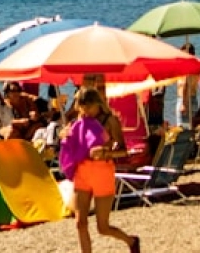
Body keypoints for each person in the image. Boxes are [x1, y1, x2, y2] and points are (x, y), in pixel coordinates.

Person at [59, 87, 140, 253]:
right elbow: (70, 142)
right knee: (80, 223)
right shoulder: (80, 121)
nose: (85, 111)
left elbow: (124, 150)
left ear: (98, 104)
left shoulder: (110, 121)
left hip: (102, 172)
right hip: (82, 172)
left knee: (102, 227)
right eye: (81, 107)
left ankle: (131, 241)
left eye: (88, 107)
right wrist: (64, 136)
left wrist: (105, 152)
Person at [176, 42, 199, 126]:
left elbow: (186, 84)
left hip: (184, 99)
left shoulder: (186, 68)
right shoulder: (196, 66)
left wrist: (183, 104)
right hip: (193, 98)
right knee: (191, 126)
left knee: (182, 127)